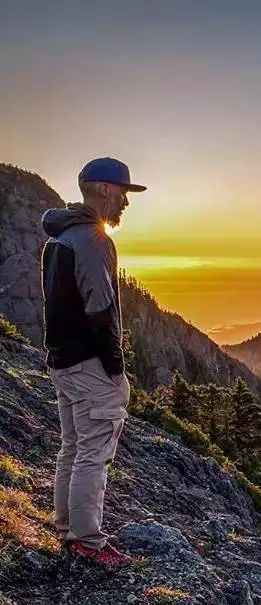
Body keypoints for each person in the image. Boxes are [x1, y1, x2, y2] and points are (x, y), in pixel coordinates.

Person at [40, 157, 146, 569]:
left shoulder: (60, 237)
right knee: (93, 452)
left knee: (73, 446)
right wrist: (115, 366)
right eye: (122, 193)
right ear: (103, 189)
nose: (125, 202)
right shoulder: (93, 240)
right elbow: (100, 309)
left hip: (63, 360)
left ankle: (67, 528)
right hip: (90, 364)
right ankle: (87, 540)